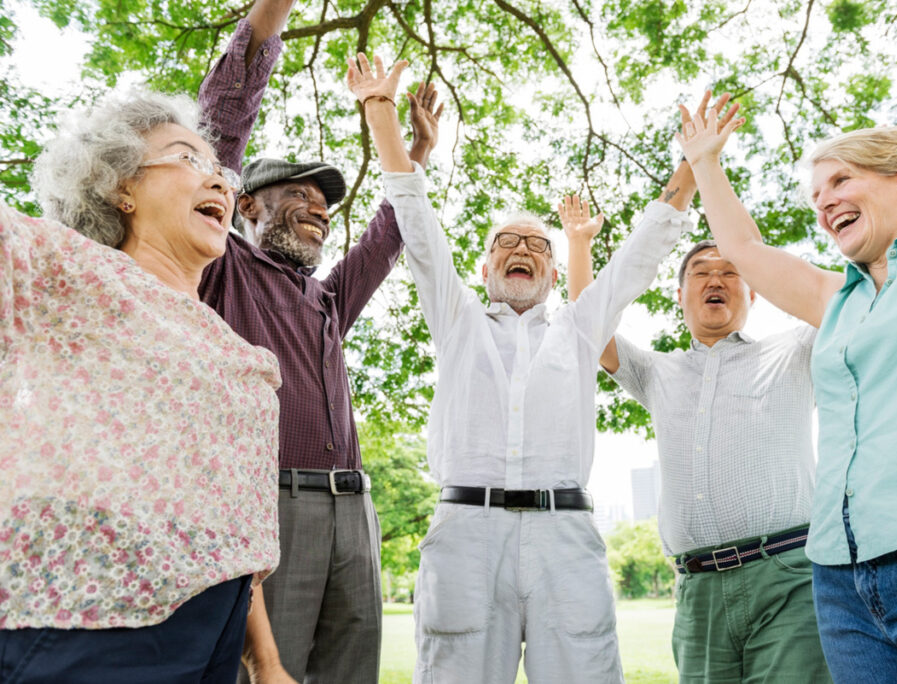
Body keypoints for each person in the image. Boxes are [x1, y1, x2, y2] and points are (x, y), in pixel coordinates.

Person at [347, 51, 701, 683]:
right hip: (465, 538)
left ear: (553, 273)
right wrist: (380, 111)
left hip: (565, 540)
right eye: (506, 242)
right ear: (485, 269)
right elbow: (416, 221)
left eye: (537, 244)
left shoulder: (579, 328)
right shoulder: (456, 317)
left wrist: (694, 163)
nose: (522, 249)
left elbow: (642, 252)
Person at [678, 75, 897, 683]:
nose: (824, 203)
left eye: (840, 181)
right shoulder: (834, 298)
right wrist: (705, 162)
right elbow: (744, 247)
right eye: (817, 196)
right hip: (843, 584)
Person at [195, 6, 442, 682]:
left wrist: (416, 151)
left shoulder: (328, 299)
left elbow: (388, 233)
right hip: (272, 506)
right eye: (299, 194)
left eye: (326, 204)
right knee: (268, 671)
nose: (319, 209)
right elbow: (219, 136)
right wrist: (268, 20)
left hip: (354, 511)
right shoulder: (222, 265)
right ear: (246, 205)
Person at [0, 90, 281, 681]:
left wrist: (267, 661)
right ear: (120, 186)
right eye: (188, 158)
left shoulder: (231, 345)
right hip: (89, 620)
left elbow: (230, 528)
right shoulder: (70, 268)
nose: (221, 183)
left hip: (214, 632)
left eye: (223, 173)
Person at [564, 146, 829, 679]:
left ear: (754, 291)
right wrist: (578, 245)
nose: (716, 280)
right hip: (698, 589)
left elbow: (820, 292)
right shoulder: (655, 371)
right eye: (702, 272)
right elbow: (588, 324)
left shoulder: (796, 350)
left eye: (731, 272)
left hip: (788, 577)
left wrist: (709, 170)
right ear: (681, 293)